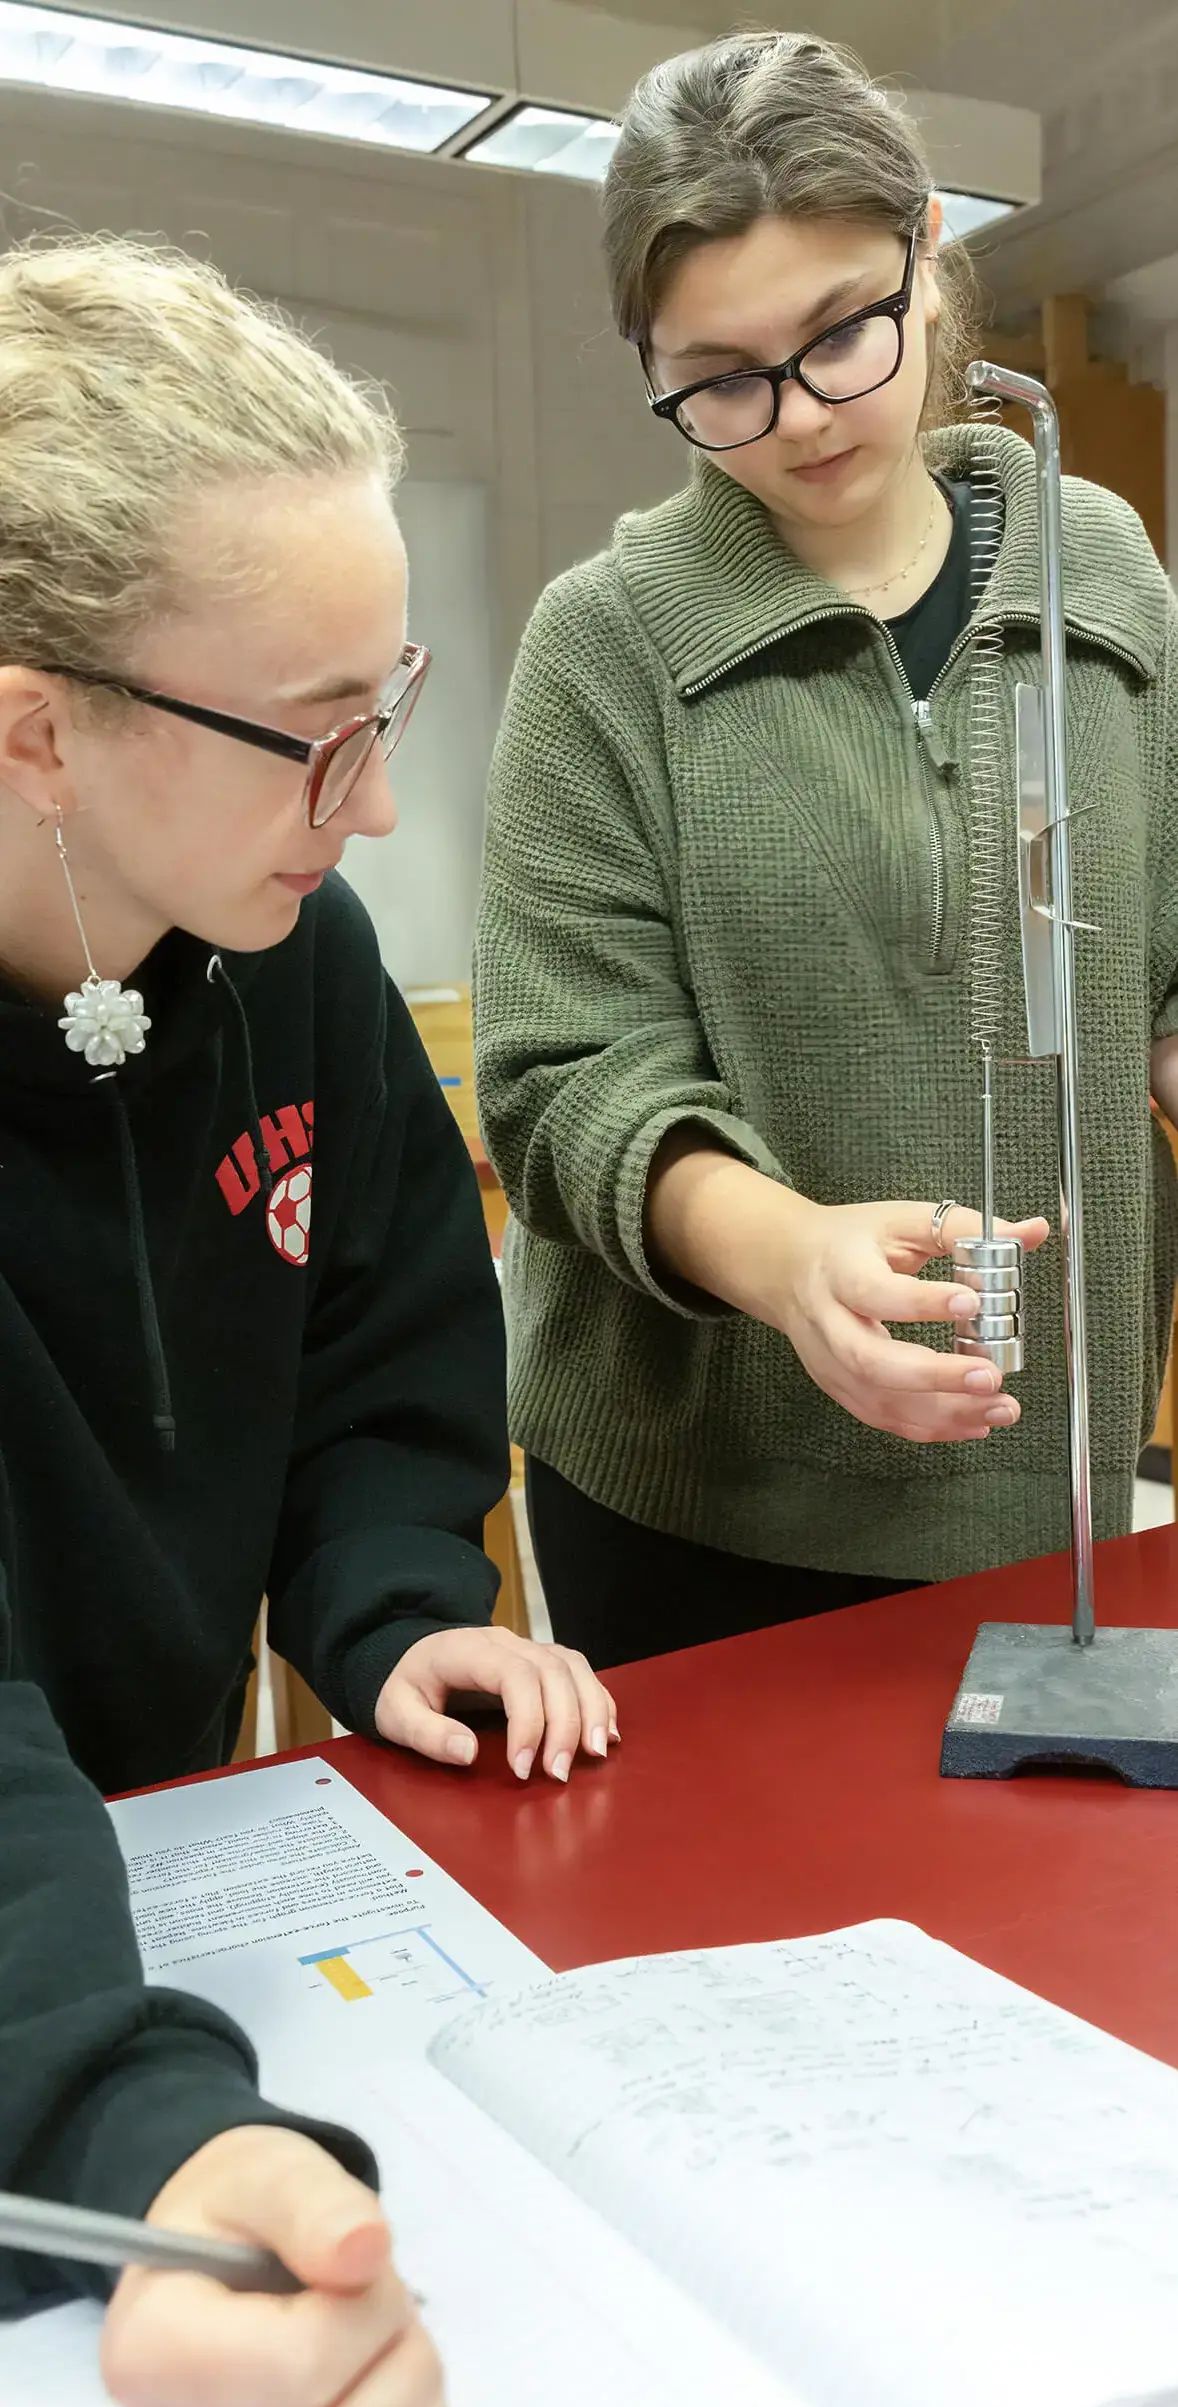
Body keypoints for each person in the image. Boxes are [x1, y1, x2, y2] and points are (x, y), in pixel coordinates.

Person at [0, 231, 616, 2407]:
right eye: (308, 730)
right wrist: (125, 2119)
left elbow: (380, 1341)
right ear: (36, 721)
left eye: (394, 700)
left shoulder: (298, 950)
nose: (370, 807)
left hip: (176, 1851)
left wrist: (386, 1600)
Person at [474, 28, 1178, 1671]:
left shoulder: (1102, 569)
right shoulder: (609, 644)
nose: (796, 417)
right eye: (717, 376)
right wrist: (787, 1262)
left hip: (1045, 1483)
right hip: (703, 1513)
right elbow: (566, 1082)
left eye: (840, 335)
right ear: (642, 355)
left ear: (929, 250)